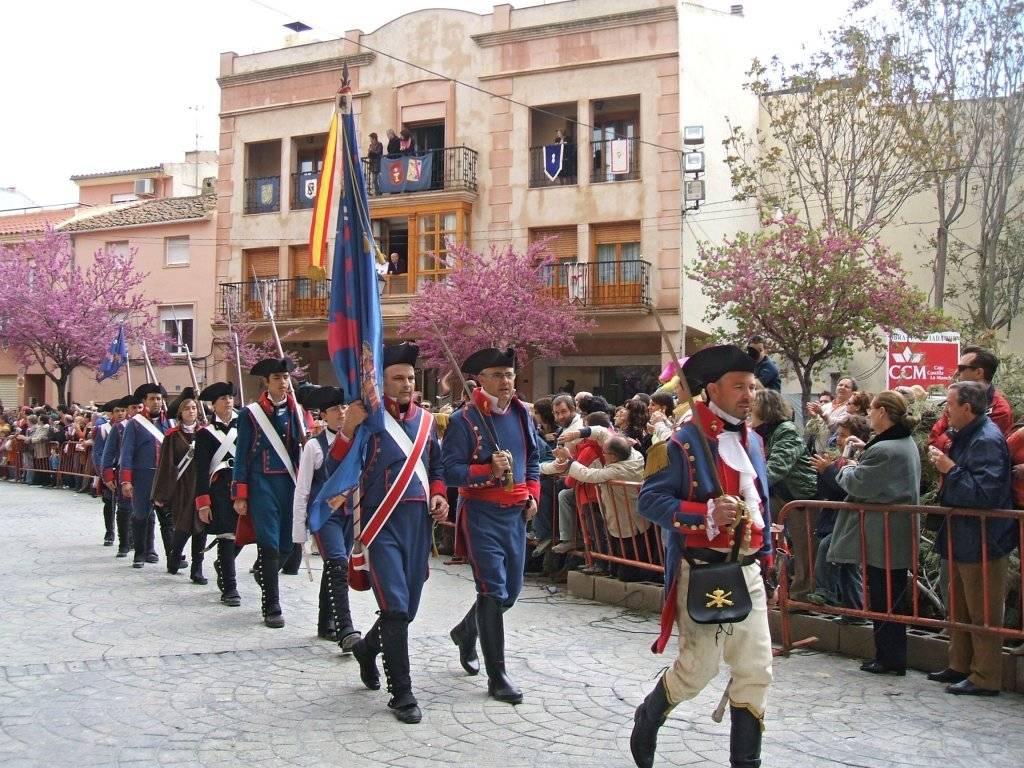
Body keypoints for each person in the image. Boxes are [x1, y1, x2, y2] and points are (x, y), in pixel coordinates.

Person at [632, 345, 772, 768]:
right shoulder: (680, 443)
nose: (748, 395)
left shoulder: (756, 442)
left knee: (756, 670)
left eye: (751, 386)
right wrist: (705, 513)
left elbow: (761, 502)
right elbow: (650, 501)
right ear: (712, 389)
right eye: (739, 387)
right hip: (704, 573)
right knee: (697, 672)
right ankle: (648, 716)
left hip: (747, 571)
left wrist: (766, 551)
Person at [330, 343, 448, 724]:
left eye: (410, 378)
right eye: (397, 378)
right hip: (380, 525)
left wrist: (441, 496)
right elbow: (338, 465)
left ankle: (368, 649)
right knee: (395, 606)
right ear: (381, 382)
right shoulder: (369, 420)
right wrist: (348, 427)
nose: (406, 384)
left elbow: (436, 467)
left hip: (417, 527)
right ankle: (402, 693)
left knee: (407, 610)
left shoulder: (428, 424)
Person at [442, 347, 540, 705]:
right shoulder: (463, 420)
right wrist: (488, 472)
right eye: (497, 375)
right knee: (493, 592)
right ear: (479, 380)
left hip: (515, 515)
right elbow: (450, 471)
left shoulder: (521, 413)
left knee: (509, 595)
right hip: (482, 515)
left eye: (510, 374)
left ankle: (466, 632)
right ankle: (497, 676)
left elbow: (532, 460)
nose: (506, 382)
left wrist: (533, 495)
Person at [927, 380, 1016, 696]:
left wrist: (950, 469)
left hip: (983, 538)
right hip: (962, 535)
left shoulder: (986, 439)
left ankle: (985, 676)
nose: (945, 411)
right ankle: (960, 664)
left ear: (967, 407)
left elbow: (985, 493)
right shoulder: (967, 435)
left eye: (949, 405)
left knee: (983, 611)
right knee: (961, 606)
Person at [825, 391, 921, 677]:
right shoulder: (902, 442)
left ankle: (889, 657)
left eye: (872, 411)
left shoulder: (887, 449)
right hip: (892, 531)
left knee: (885, 596)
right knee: (889, 594)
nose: (868, 416)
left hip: (886, 534)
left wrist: (844, 465)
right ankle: (889, 655)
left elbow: (858, 483)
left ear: (882, 412)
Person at [232, 357, 310, 628]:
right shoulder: (250, 414)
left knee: (289, 545)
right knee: (269, 544)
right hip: (261, 484)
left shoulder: (297, 411)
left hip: (290, 483)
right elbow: (241, 453)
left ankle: (266, 575)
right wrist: (240, 493)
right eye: (277, 378)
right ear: (266, 382)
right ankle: (272, 604)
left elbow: (306, 448)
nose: (283, 383)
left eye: (286, 378)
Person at [291, 385, 361, 652]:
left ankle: (325, 622)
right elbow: (303, 488)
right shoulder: (314, 446)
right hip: (324, 516)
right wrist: (300, 530)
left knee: (336, 566)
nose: (341, 413)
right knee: (337, 566)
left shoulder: (357, 441)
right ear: (324, 415)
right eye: (335, 409)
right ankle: (345, 627)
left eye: (344, 407)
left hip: (349, 516)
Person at [752, 389, 818, 602]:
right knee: (769, 541)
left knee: (803, 547)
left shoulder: (785, 431)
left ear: (764, 409)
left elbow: (776, 468)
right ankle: (775, 588)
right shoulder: (760, 432)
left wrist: (750, 487)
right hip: (778, 496)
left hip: (799, 498)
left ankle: (802, 596)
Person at [806, 415, 871, 610]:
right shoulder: (840, 459)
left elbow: (847, 487)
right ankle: (854, 610)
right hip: (835, 518)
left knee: (829, 547)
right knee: (847, 568)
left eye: (843, 435)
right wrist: (823, 471)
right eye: (838, 435)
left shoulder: (860, 457)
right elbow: (828, 490)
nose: (838, 439)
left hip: (850, 520)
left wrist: (827, 471)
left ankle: (826, 592)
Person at [151, 389, 207, 584]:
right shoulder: (172, 436)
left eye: (194, 408)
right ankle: (174, 557)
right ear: (181, 413)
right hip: (181, 488)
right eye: (187, 409)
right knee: (182, 527)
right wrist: (161, 493)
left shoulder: (205, 433)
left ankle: (197, 568)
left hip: (200, 486)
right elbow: (166, 465)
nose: (191, 411)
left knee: (201, 528)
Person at [193, 382, 241, 607]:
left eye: (230, 398)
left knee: (245, 535)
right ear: (213, 406)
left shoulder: (246, 426)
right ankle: (230, 588)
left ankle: (223, 565)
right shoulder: (205, 434)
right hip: (220, 490)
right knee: (227, 537)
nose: (228, 402)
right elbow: (201, 470)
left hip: (243, 487)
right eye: (223, 399)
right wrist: (203, 502)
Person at [120, 383, 175, 569]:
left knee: (168, 519)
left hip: (165, 477)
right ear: (144, 401)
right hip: (143, 476)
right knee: (141, 516)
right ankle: (140, 553)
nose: (156, 402)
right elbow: (127, 453)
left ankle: (173, 557)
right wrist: (126, 480)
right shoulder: (134, 424)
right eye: (152, 398)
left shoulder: (170, 422)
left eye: (159, 399)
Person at [928, 346, 1013, 452]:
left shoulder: (999, 409)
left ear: (978, 372)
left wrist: (949, 437)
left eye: (961, 368)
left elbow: (979, 449)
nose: (956, 373)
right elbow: (933, 440)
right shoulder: (956, 398)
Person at [101, 395, 140, 558]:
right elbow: (107, 454)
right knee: (124, 509)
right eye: (132, 408)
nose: (135, 411)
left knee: (145, 512)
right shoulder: (119, 428)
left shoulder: (149, 426)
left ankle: (143, 546)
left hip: (144, 473)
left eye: (138, 407)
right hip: (123, 471)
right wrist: (107, 475)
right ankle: (124, 543)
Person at [805, 376, 857, 453]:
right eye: (840, 385)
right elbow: (811, 431)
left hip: (835, 454)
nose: (842, 388)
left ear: (852, 392)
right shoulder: (826, 406)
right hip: (817, 452)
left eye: (846, 386)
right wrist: (814, 416)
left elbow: (836, 426)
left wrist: (822, 414)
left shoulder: (850, 409)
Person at [91, 400, 118, 547]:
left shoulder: (131, 426)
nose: (120, 414)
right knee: (109, 502)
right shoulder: (102, 429)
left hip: (124, 470)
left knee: (127, 506)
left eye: (123, 410)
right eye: (117, 411)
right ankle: (110, 532)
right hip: (108, 470)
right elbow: (98, 452)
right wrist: (104, 473)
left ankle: (129, 536)